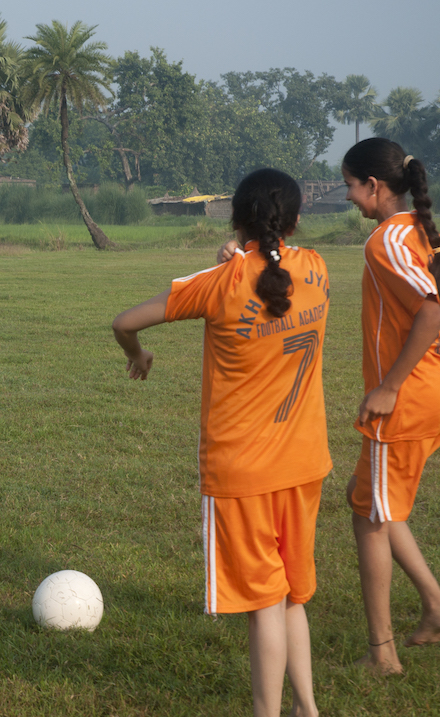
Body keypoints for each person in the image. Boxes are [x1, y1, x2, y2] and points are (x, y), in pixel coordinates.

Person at [113, 169, 329, 717]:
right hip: (304, 464)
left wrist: (137, 355)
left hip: (242, 475)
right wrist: (238, 256)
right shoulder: (319, 271)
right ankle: (308, 708)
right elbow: (275, 268)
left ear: (236, 220)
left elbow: (125, 321)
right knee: (291, 598)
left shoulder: (220, 284)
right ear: (298, 219)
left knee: (263, 605)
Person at [339, 137, 440, 675]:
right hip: (428, 394)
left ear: (373, 186)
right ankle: (435, 606)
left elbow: (433, 310)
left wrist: (390, 385)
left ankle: (383, 654)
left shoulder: (387, 241)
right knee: (372, 502)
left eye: (351, 186)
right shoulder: (417, 230)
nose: (350, 196)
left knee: (370, 519)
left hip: (406, 403)